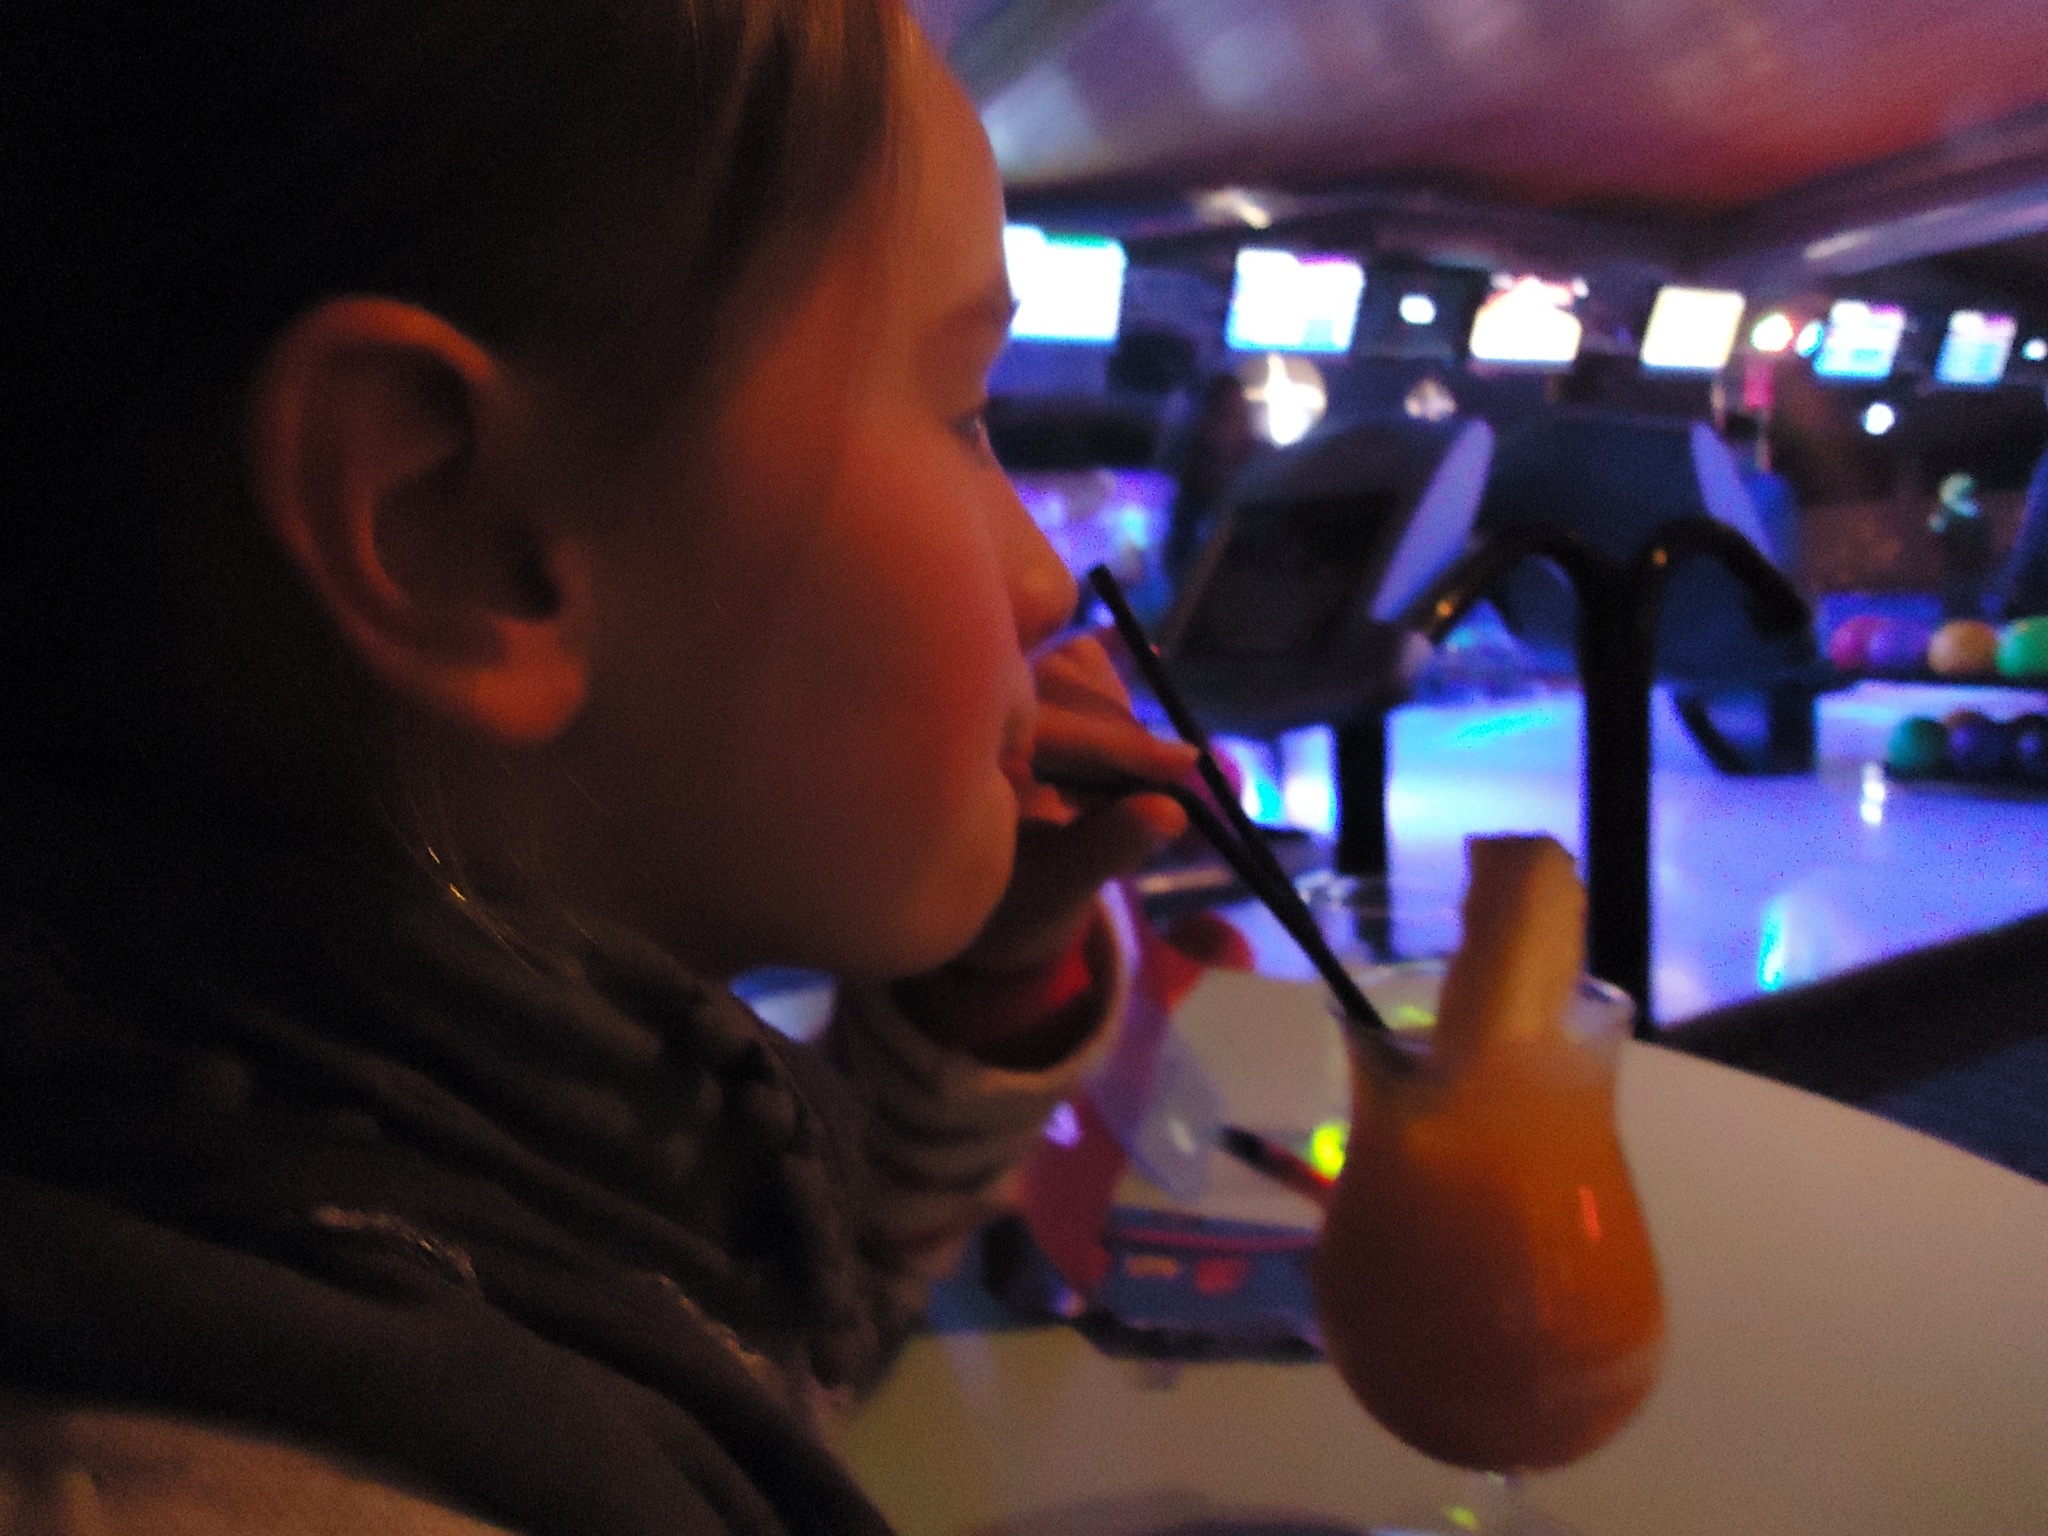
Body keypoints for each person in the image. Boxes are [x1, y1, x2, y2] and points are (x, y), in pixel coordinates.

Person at [0, 3, 1196, 1532]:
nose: (1041, 581)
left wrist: (998, 972)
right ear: (453, 532)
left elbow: (752, 1331)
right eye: (965, 412)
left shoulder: (365, 1162)